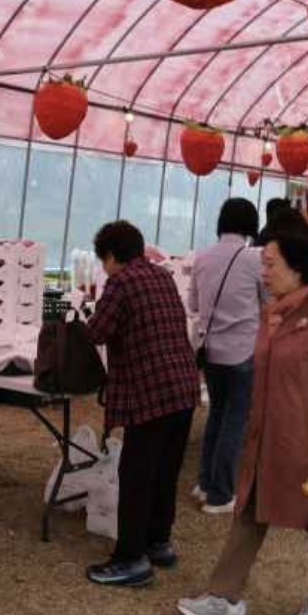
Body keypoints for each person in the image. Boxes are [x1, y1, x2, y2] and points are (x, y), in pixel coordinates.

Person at [176, 222, 308, 615]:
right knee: (248, 512)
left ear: (298, 267)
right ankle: (224, 597)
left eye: (271, 263)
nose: (264, 271)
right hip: (265, 441)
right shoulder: (269, 314)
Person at [84, 221, 198, 587]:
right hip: (183, 387)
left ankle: (131, 558)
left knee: (136, 476)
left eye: (104, 260)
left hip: (150, 393)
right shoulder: (161, 276)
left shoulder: (121, 281)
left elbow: (97, 331)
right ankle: (158, 542)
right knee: (165, 471)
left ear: (112, 256)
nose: (104, 268)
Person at [188, 199, 264, 514]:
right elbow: (268, 299)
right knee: (235, 420)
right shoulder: (254, 259)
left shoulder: (201, 257)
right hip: (243, 350)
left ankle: (205, 484)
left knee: (217, 415)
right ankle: (220, 494)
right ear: (250, 223)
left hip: (210, 350)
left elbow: (192, 304)